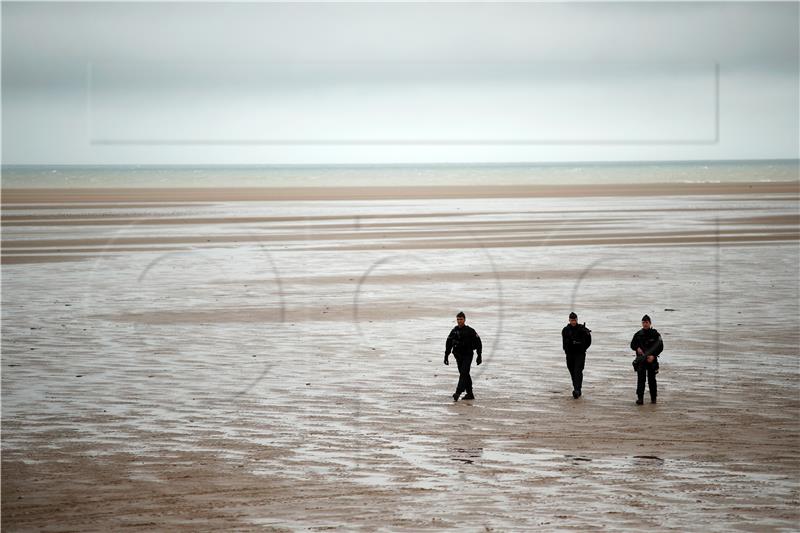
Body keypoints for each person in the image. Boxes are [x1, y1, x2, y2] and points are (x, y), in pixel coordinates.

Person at [444, 311, 482, 401]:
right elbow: (448, 343)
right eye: (458, 319)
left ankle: (458, 392)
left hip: (467, 355)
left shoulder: (470, 331)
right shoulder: (454, 330)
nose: (459, 321)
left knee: (464, 373)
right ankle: (470, 394)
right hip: (458, 355)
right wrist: (446, 355)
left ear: (464, 320)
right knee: (465, 374)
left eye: (461, 319)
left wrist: (479, 355)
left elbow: (478, 342)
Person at [630, 314, 663, 405]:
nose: (645, 324)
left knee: (652, 380)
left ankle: (653, 399)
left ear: (650, 323)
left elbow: (660, 347)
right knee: (641, 380)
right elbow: (632, 345)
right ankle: (640, 399)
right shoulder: (638, 334)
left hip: (652, 360)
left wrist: (653, 356)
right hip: (641, 361)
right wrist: (637, 348)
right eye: (643, 322)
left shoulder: (655, 334)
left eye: (646, 322)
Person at [561, 312, 592, 398]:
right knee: (572, 372)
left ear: (577, 320)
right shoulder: (565, 330)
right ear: (569, 320)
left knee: (578, 371)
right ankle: (577, 388)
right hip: (570, 354)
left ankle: (577, 390)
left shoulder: (582, 329)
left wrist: (583, 348)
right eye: (572, 320)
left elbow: (589, 341)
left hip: (580, 354)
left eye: (575, 320)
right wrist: (566, 349)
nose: (573, 322)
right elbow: (564, 342)